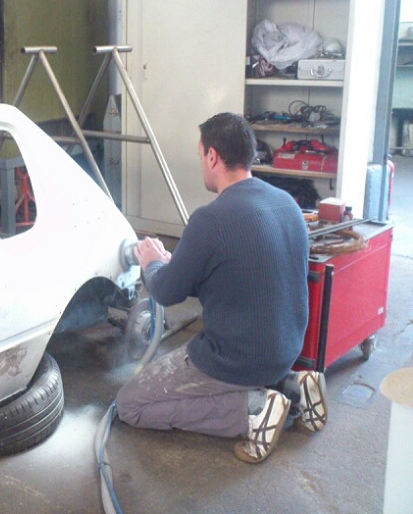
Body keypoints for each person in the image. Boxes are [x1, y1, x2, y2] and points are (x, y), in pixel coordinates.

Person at [116, 112, 328, 464]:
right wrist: (177, 264)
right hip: (286, 349)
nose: (201, 163)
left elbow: (166, 292)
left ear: (213, 156)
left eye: (201, 155)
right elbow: (234, 274)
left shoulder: (210, 219)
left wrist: (152, 262)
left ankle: (253, 410)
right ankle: (295, 386)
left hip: (234, 360)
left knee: (131, 404)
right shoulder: (286, 203)